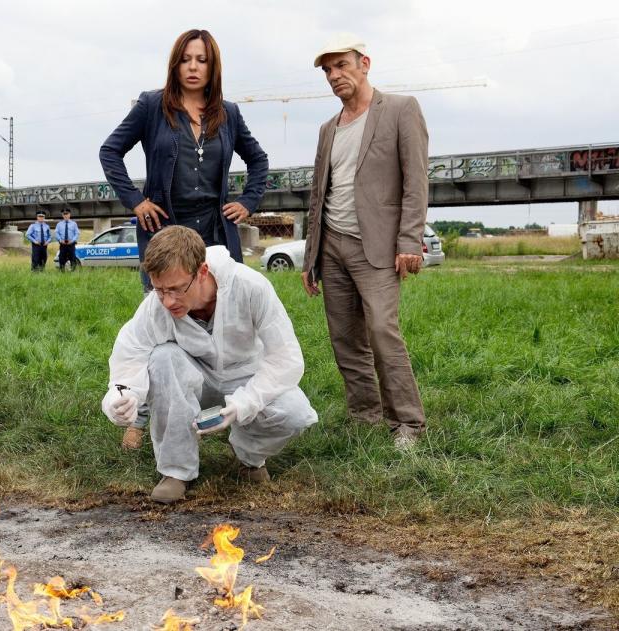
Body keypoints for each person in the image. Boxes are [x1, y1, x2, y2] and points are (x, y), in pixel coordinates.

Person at [99, 28, 269, 450]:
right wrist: (136, 202)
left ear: (213, 67)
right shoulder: (152, 106)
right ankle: (138, 415)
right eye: (185, 59)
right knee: (161, 322)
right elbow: (110, 151)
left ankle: (236, 412)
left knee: (227, 321)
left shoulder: (227, 112)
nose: (193, 67)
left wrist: (247, 201)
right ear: (175, 64)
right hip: (164, 231)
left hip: (214, 232)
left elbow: (259, 160)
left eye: (202, 60)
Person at [101, 226, 318, 504]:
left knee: (295, 413)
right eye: (159, 290)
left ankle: (250, 458)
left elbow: (285, 358)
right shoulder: (156, 307)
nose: (168, 301)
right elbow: (129, 354)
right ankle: (177, 471)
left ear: (201, 272)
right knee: (164, 357)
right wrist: (123, 395)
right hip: (194, 379)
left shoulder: (250, 286)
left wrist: (245, 402)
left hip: (246, 376)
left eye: (177, 289)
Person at [300, 34, 429, 449]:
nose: (335, 75)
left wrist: (409, 240)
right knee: (345, 338)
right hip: (332, 246)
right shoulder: (327, 128)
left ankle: (408, 423)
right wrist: (311, 257)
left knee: (381, 330)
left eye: (342, 65)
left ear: (365, 64)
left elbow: (416, 180)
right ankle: (365, 416)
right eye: (327, 70)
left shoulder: (400, 109)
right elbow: (319, 194)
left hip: (376, 246)